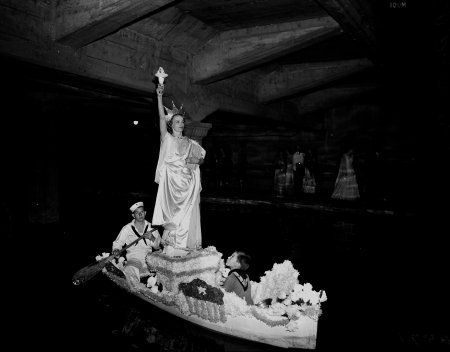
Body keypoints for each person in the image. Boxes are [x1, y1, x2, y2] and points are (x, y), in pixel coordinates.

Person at [152, 84, 206, 257]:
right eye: (177, 121)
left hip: (187, 184)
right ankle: (171, 247)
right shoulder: (166, 139)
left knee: (186, 217)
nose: (181, 124)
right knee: (172, 217)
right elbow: (161, 119)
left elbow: (202, 158)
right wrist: (159, 97)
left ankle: (183, 249)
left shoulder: (191, 142)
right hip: (171, 185)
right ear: (171, 124)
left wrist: (197, 160)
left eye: (182, 121)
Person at [112, 202, 161, 290]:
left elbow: (158, 247)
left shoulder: (151, 227)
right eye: (137, 213)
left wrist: (152, 238)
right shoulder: (127, 228)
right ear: (133, 215)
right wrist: (116, 250)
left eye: (142, 212)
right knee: (129, 269)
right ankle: (135, 288)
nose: (140, 214)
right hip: (134, 259)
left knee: (163, 270)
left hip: (149, 259)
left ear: (145, 213)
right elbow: (118, 243)